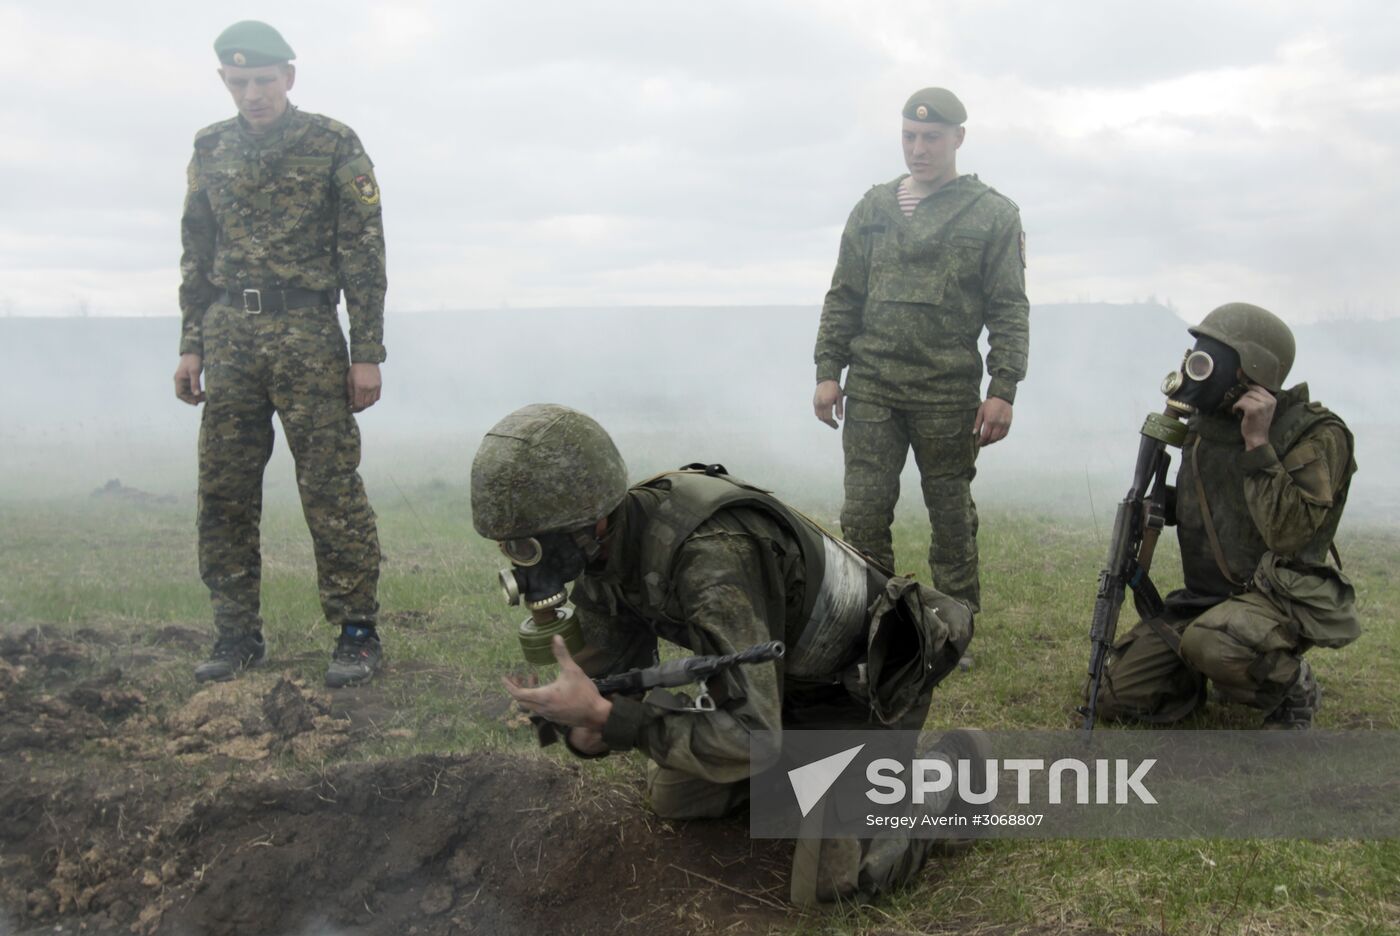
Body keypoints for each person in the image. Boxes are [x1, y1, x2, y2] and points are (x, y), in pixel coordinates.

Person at [472, 404, 981, 905]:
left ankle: (951, 769)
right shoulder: (605, 558)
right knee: (677, 794)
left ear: (591, 521)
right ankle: (811, 780)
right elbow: (615, 681)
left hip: (872, 678)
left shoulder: (712, 559)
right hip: (787, 689)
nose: (517, 565)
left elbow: (750, 739)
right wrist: (588, 722)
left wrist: (610, 716)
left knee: (833, 886)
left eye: (525, 548)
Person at [173, 21, 387, 687]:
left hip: (308, 333)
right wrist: (190, 343)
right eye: (240, 82)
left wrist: (367, 350)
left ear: (288, 77)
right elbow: (196, 251)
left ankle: (356, 632)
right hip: (230, 334)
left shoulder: (332, 142)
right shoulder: (210, 147)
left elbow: (364, 249)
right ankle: (236, 634)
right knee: (225, 491)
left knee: (330, 487)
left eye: (264, 81)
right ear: (224, 82)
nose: (254, 94)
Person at [811, 87, 1029, 614]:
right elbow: (844, 294)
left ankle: (955, 624)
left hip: (947, 394)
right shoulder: (874, 208)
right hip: (874, 391)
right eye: (909, 136)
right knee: (862, 518)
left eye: (931, 137)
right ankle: (873, 623)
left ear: (959, 137)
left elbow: (1008, 308)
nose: (919, 149)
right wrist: (827, 370)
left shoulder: (992, 214)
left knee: (951, 518)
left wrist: (1003, 390)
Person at [1097, 303, 1359, 728]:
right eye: (1195, 356)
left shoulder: (1315, 433)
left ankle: (1292, 688)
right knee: (1123, 695)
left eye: (1211, 360)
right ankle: (1204, 671)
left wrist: (1258, 443)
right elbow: (1211, 500)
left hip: (1281, 594)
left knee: (1211, 643)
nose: (1197, 370)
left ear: (1252, 370)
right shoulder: (1205, 426)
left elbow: (1289, 533)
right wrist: (1155, 506)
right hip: (1208, 597)